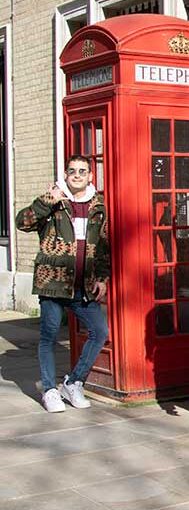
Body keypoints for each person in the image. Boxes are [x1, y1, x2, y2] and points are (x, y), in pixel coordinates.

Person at [16, 154, 110, 413]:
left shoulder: (98, 206)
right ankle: (49, 390)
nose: (77, 175)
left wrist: (102, 278)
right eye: (72, 171)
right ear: (66, 175)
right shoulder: (54, 203)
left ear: (91, 176)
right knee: (48, 337)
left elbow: (104, 247)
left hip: (83, 286)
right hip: (53, 284)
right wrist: (47, 200)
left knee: (100, 331)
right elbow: (21, 222)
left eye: (82, 171)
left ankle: (73, 381)